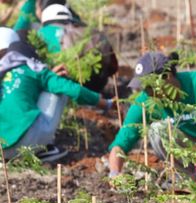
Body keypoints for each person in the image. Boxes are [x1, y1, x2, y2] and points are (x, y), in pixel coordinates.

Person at [107, 52, 196, 177]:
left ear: (166, 76)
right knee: (157, 130)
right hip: (193, 151)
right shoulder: (146, 101)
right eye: (144, 88)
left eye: (149, 86)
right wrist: (114, 174)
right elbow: (121, 143)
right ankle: (194, 182)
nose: (147, 92)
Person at [0, 27, 112, 161]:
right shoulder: (32, 68)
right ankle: (44, 149)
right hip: (24, 145)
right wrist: (107, 103)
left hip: (2, 151)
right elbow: (73, 90)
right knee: (60, 85)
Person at [36, 3, 117, 92]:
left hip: (65, 85)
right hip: (96, 85)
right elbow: (113, 67)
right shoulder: (89, 31)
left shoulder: (40, 34)